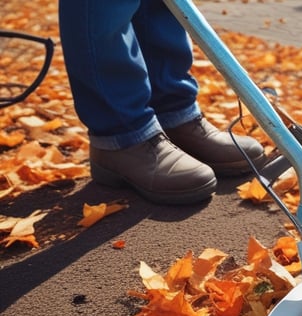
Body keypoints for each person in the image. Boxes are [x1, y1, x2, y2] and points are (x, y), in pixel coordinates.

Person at [58, 0, 266, 205]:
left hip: (171, 108)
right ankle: (122, 137)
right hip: (121, 131)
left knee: (161, 4)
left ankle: (173, 115)